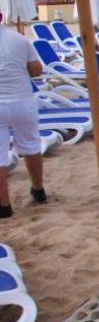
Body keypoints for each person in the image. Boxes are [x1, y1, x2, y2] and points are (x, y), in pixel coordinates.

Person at [0, 11, 45, 218]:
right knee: (31, 146)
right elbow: (36, 70)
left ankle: (4, 204)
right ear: (1, 17)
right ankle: (38, 189)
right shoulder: (19, 39)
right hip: (21, 100)